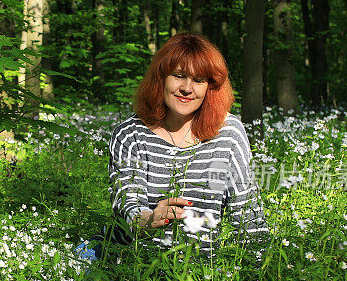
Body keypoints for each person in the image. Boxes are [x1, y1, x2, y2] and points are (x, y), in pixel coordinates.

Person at [97, 33, 269, 257]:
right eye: (179, 76)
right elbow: (126, 201)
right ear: (161, 78)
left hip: (200, 270)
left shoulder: (228, 134)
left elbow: (247, 213)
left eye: (198, 80)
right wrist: (148, 220)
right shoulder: (131, 133)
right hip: (130, 264)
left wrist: (262, 276)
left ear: (210, 87)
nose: (187, 88)